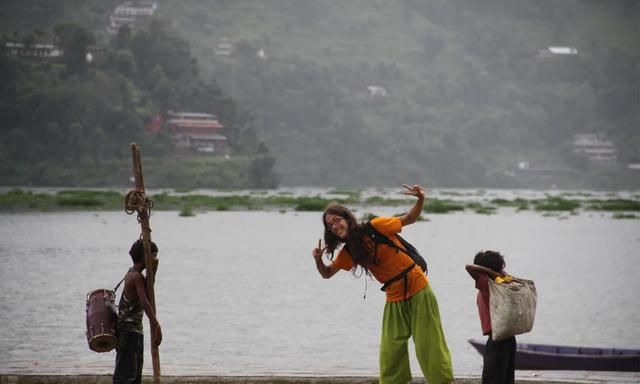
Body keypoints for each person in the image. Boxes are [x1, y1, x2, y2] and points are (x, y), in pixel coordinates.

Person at [312, 184, 454, 384]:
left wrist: (420, 199)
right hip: (393, 297)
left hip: (417, 287)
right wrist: (318, 260)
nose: (335, 226)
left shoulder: (376, 227)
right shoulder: (348, 252)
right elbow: (327, 274)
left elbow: (410, 218)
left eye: (337, 220)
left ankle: (442, 382)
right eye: (330, 225)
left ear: (347, 219)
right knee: (390, 349)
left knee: (428, 344)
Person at [113, 239, 163, 384]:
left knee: (134, 374)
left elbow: (148, 291)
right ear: (145, 256)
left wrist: (153, 271)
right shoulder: (136, 276)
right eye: (153, 255)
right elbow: (145, 302)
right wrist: (155, 324)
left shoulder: (133, 273)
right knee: (126, 375)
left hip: (134, 331)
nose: (155, 259)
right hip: (128, 331)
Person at [465, 250, 516, 384]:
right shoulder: (505, 282)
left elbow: (469, 268)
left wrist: (488, 272)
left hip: (497, 340)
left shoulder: (488, 285)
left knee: (492, 378)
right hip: (509, 339)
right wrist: (495, 272)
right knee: (505, 379)